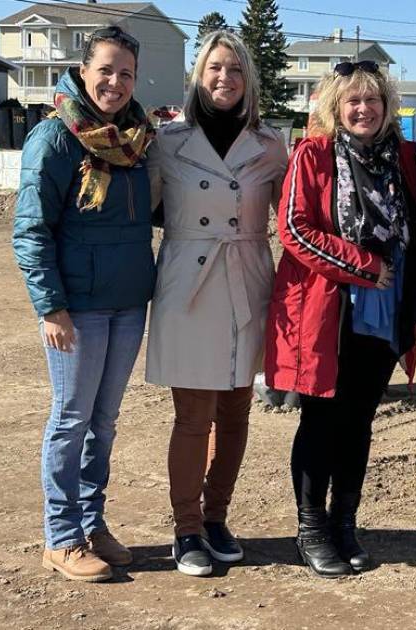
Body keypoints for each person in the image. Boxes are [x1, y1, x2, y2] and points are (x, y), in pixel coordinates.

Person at [265, 59, 416, 578]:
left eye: (372, 100)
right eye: (352, 100)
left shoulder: (403, 156)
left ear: (387, 106)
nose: (363, 109)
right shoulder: (313, 154)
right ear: (336, 107)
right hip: (328, 306)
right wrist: (363, 265)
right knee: (321, 420)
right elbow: (295, 228)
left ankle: (345, 524)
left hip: (385, 309)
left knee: (359, 419)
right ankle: (310, 530)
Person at [12, 26, 155, 583]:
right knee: (71, 420)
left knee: (104, 421)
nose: (115, 82)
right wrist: (50, 308)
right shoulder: (55, 139)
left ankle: (92, 524)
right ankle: (61, 536)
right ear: (84, 70)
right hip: (77, 310)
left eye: (125, 73)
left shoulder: (139, 141)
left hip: (127, 303)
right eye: (106, 70)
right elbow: (30, 230)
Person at [145, 31, 288, 577]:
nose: (224, 78)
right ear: (198, 76)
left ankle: (217, 516)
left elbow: (295, 217)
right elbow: (135, 210)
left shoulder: (270, 143)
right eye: (214, 69)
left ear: (248, 79)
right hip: (189, 282)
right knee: (193, 416)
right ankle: (186, 529)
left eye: (234, 70)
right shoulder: (168, 141)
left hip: (248, 279)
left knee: (236, 412)